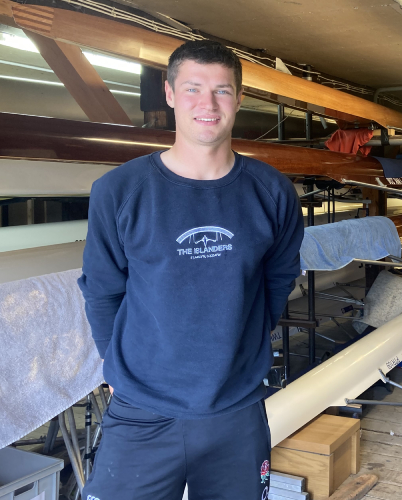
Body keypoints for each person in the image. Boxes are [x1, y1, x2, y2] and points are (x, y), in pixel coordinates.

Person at [78, 40, 304, 500]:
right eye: (193, 89)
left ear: (239, 99)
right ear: (169, 93)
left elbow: (279, 279)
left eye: (222, 91)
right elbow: (102, 290)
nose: (208, 104)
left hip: (236, 411)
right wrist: (119, 362)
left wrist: (244, 342)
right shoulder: (120, 191)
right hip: (143, 411)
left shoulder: (272, 192)